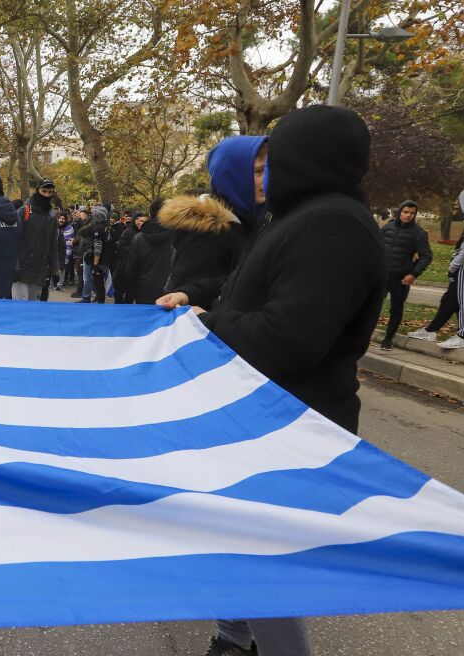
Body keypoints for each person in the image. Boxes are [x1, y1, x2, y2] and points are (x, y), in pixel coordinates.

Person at [174, 104, 385, 656]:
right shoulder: (299, 219)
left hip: (291, 422)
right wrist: (200, 299)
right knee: (237, 540)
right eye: (258, 168)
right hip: (262, 416)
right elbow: (254, 290)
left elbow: (290, 336)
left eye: (273, 164)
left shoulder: (332, 225)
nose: (261, 178)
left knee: (260, 557)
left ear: (306, 160)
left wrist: (209, 325)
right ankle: (232, 637)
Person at [157, 135, 268, 312]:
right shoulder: (207, 230)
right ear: (233, 176)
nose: (268, 178)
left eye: (269, 170)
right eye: (258, 171)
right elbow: (188, 302)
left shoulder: (254, 220)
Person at [409, 188, 464, 349]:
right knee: (450, 301)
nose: (455, 209)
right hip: (459, 270)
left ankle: (461, 335)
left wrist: (453, 266)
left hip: (461, 269)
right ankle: (431, 330)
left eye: (457, 207)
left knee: (459, 301)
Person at [378, 199, 433, 350]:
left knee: (396, 309)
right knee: (373, 306)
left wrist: (413, 274)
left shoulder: (418, 233)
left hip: (401, 278)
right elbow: (376, 248)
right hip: (382, 276)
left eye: (412, 213)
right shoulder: (387, 228)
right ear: (399, 212)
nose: (409, 215)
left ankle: (388, 339)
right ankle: (363, 334)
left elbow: (426, 256)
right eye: (406, 212)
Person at [13, 179, 60, 301]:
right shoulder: (24, 211)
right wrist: (15, 267)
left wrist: (55, 270)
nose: (47, 195)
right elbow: (13, 241)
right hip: (21, 269)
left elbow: (53, 245)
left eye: (50, 192)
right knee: (20, 307)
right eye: (44, 191)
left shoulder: (52, 216)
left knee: (33, 305)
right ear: (37, 190)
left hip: (39, 269)